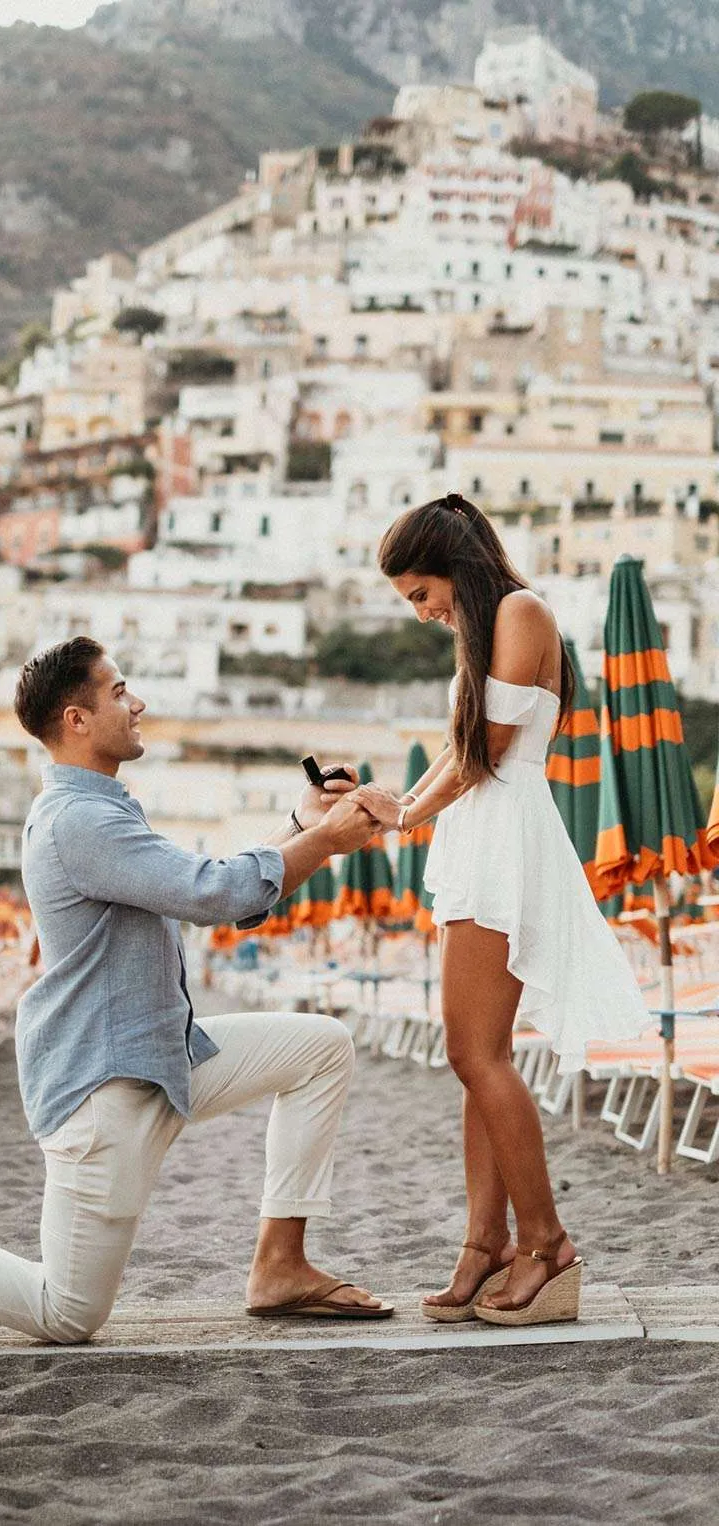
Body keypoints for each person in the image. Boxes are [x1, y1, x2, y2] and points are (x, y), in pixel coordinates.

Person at [0, 636, 391, 1346]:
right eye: (120, 690)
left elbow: (226, 889)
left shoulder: (98, 810)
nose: (138, 702)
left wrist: (305, 825)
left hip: (163, 1055)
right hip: (107, 1086)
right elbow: (213, 892)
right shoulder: (79, 822)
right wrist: (325, 838)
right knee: (66, 1313)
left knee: (321, 1048)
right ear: (78, 719)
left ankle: (281, 1264)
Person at [349, 492, 649, 1326]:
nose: (421, 611)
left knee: (477, 1056)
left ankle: (545, 1244)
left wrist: (404, 812)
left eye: (421, 591)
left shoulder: (520, 610)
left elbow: (488, 750)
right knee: (475, 1054)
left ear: (455, 564)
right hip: (481, 836)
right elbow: (461, 750)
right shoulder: (483, 632)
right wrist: (396, 804)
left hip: (506, 838)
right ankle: (486, 1244)